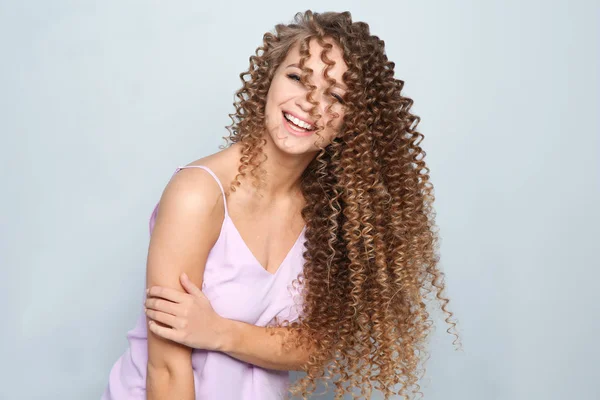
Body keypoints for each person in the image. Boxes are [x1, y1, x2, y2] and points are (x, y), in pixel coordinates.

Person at [102, 10, 459, 400]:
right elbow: (166, 371)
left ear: (352, 122)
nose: (310, 104)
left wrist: (219, 332)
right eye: (297, 78)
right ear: (268, 79)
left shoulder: (330, 215)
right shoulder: (197, 195)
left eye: (336, 95)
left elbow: (314, 347)